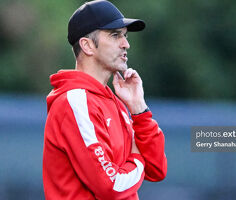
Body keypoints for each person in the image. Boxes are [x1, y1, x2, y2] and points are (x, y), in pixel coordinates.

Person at [42, 1, 167, 199]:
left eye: (125, 36)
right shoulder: (75, 102)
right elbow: (111, 186)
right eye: (115, 35)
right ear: (87, 45)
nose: (126, 43)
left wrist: (138, 109)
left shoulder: (114, 102)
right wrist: (137, 159)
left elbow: (157, 168)